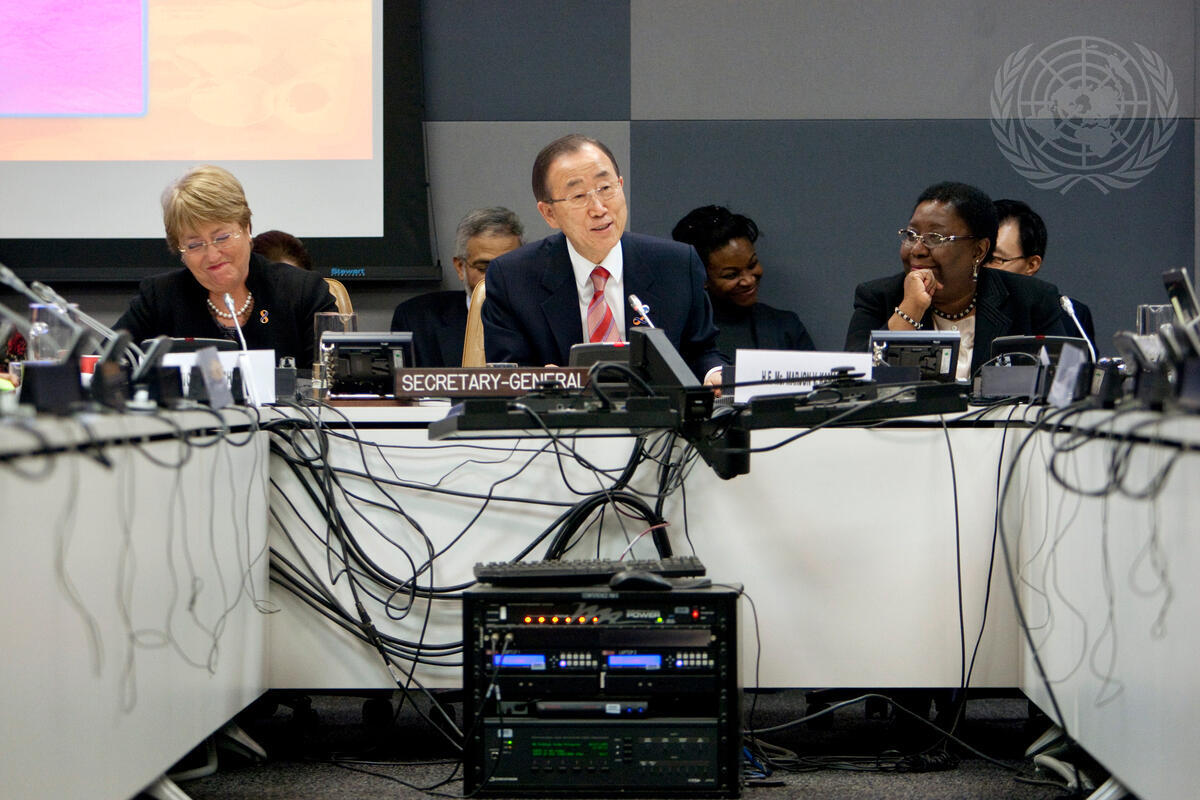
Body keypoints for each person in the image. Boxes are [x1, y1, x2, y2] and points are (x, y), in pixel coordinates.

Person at [482, 134, 724, 385]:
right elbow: (508, 376)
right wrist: (539, 382)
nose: (599, 209)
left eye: (606, 188)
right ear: (549, 213)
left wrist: (713, 374)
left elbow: (702, 352)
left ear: (620, 185)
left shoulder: (676, 265)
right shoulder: (513, 278)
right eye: (578, 196)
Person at [844, 181, 1071, 380]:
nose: (917, 249)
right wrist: (910, 311)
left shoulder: (1031, 300)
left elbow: (1064, 383)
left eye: (935, 238)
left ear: (978, 251)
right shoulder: (880, 297)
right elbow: (852, 383)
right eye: (911, 235)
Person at [115, 165, 336, 365]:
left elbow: (333, 378)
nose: (212, 255)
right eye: (195, 245)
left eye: (222, 238)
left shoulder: (303, 292)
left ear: (247, 228)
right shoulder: (159, 298)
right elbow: (106, 365)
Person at [671, 205, 815, 359]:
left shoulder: (785, 327)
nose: (749, 280)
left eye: (752, 265)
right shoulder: (679, 333)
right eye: (731, 275)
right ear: (701, 278)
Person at [391, 207, 524, 367]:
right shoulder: (416, 319)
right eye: (483, 268)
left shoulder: (539, 319)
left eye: (508, 268)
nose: (497, 279)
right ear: (461, 268)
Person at [988, 198, 1095, 345]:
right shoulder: (960, 311)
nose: (979, 266)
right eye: (976, 254)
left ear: (1031, 265)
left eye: (994, 259)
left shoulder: (1069, 317)